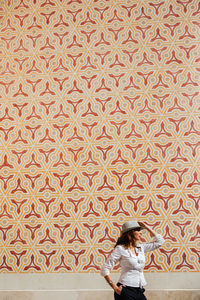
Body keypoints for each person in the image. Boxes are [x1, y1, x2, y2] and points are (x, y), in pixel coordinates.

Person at [100, 220, 164, 300]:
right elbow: (105, 269)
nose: (141, 233)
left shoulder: (140, 247)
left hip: (139, 290)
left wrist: (146, 227)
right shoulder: (120, 249)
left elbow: (160, 242)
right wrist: (115, 287)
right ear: (130, 233)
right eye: (138, 230)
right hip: (125, 290)